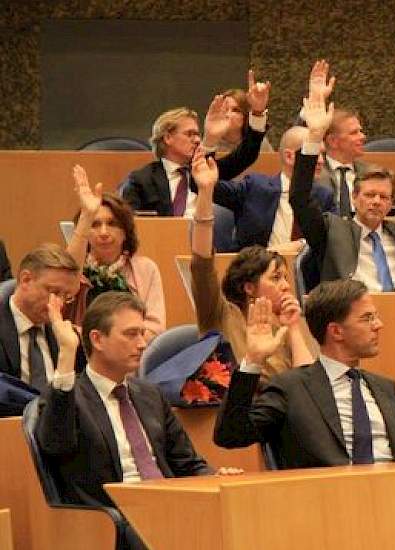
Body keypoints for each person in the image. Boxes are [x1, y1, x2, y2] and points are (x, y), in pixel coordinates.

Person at [35, 292, 241, 550]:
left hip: (169, 506)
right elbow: (56, 445)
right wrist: (66, 355)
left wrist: (216, 477)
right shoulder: (66, 398)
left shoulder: (150, 395)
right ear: (97, 339)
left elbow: (186, 463)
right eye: (131, 334)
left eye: (143, 333)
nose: (143, 343)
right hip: (112, 520)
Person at [213, 280, 395, 467]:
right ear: (336, 331)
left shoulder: (386, 389)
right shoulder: (291, 388)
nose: (379, 325)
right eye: (367, 318)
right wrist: (253, 361)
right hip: (328, 509)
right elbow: (230, 436)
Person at [190, 148, 318, 381]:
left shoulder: (289, 322)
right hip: (238, 408)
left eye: (286, 279)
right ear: (249, 287)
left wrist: (295, 329)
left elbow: (308, 385)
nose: (287, 287)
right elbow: (202, 262)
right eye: (276, 278)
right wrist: (206, 192)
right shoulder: (220, 314)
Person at [291, 86, 395, 291]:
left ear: (391, 203)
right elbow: (300, 199)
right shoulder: (331, 232)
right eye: (370, 195)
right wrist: (314, 137)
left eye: (383, 197)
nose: (376, 202)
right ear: (354, 197)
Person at [122, 70, 270, 217]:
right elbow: (130, 225)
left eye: (198, 134)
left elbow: (246, 155)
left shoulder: (206, 171)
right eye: (189, 134)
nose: (197, 140)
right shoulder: (141, 180)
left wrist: (257, 113)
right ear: (168, 138)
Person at [68, 166, 165, 340]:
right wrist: (86, 216)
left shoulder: (146, 269)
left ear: (125, 230)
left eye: (112, 224)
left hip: (133, 352)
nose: (104, 232)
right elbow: (66, 278)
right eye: (95, 224)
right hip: (81, 349)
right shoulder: (77, 266)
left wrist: (117, 344)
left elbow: (154, 329)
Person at [209, 124, 336, 251]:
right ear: (289, 157)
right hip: (256, 267)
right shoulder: (255, 187)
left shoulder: (325, 196)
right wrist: (210, 142)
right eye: (314, 153)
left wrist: (301, 244)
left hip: (305, 269)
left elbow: (334, 239)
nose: (321, 161)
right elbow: (206, 186)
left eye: (322, 154)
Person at [0, 244, 82, 388]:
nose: (60, 303)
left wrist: (68, 351)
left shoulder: (66, 338)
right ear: (26, 280)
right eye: (54, 292)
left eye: (67, 297)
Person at [303, 61, 370, 218]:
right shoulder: (314, 173)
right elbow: (298, 142)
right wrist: (315, 100)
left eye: (361, 131)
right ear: (333, 141)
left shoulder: (373, 172)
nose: (363, 137)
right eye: (354, 133)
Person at [214, 85, 275, 154]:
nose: (228, 114)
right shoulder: (211, 144)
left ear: (245, 115)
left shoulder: (259, 143)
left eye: (235, 110)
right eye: (224, 109)